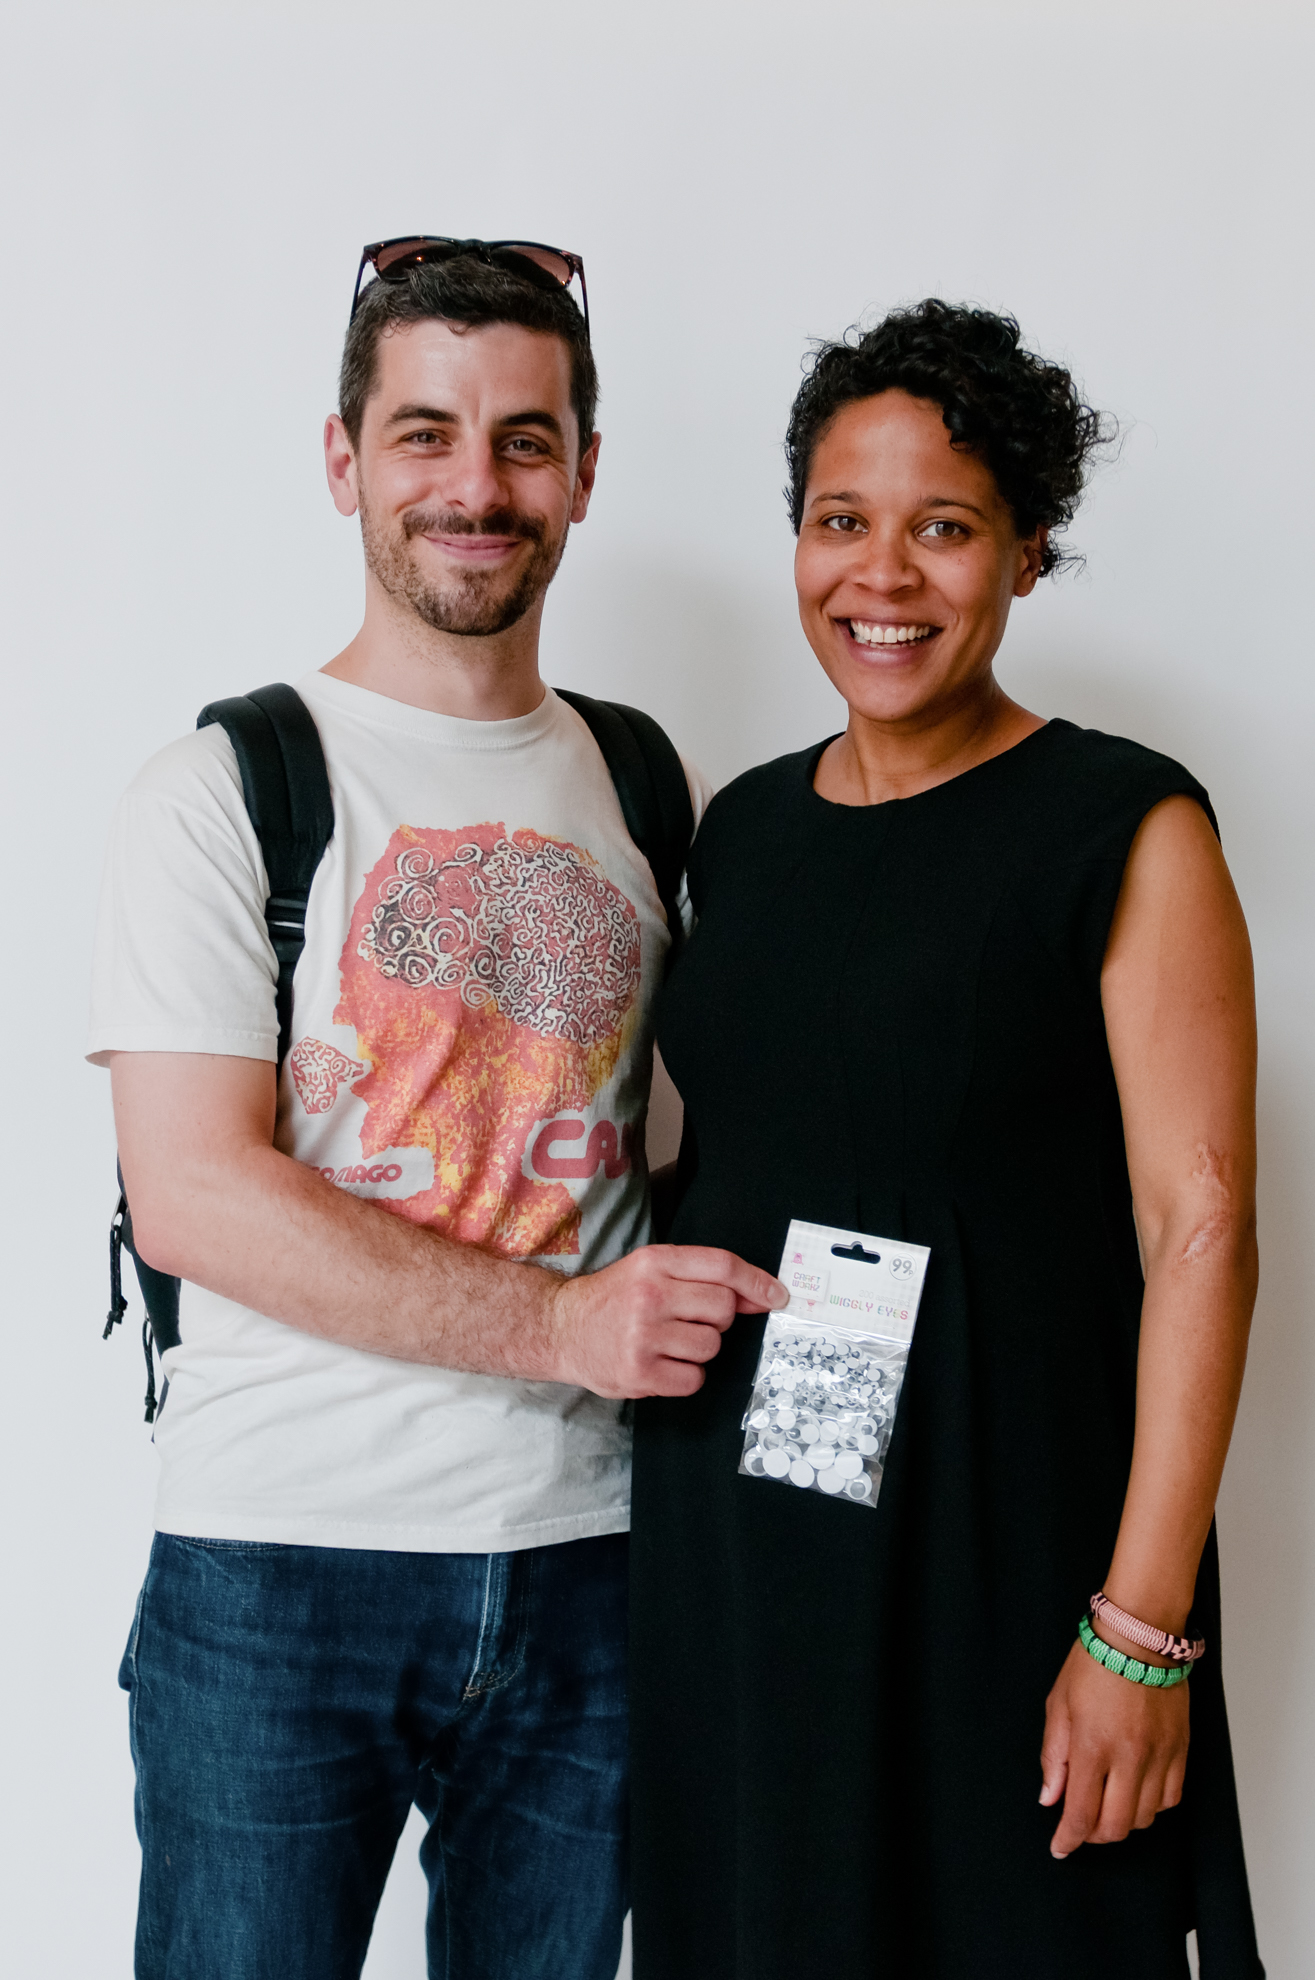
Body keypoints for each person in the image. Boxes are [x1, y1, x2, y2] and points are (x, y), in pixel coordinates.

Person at [89, 236, 784, 1980]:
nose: (476, 487)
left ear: (585, 474)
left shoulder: (644, 783)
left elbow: (690, 1134)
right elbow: (191, 1197)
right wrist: (563, 1323)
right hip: (277, 1566)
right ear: (344, 460)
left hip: (598, 1567)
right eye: (423, 434)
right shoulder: (223, 789)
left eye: (525, 440)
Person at [630, 300, 1264, 1978]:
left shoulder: (1125, 820)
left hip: (1002, 1529)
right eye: (843, 522)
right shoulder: (745, 831)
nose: (882, 576)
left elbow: (1199, 1230)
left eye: (945, 528)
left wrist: (1139, 1632)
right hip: (747, 1529)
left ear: (1029, 555)